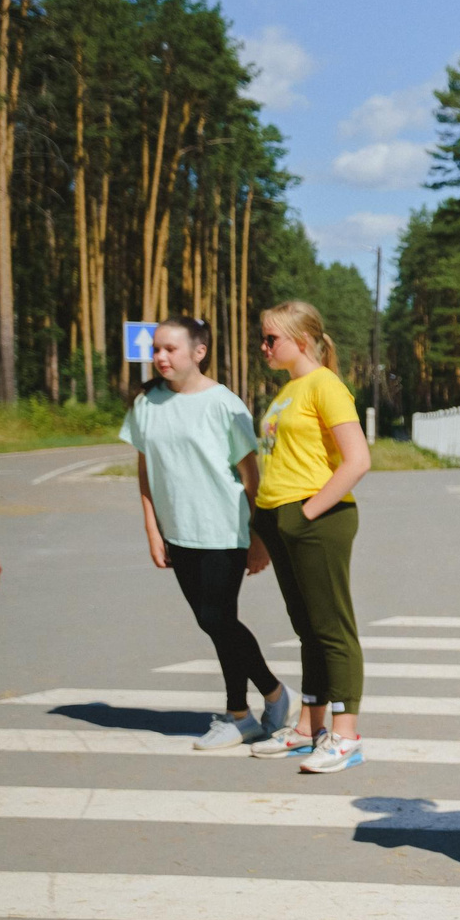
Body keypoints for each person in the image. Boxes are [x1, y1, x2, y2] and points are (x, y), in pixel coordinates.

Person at [121, 315, 292, 752]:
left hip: (223, 528)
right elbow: (146, 471)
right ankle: (255, 705)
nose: (160, 356)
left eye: (169, 349)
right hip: (177, 531)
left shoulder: (224, 403)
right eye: (155, 349)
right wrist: (152, 530)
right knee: (214, 623)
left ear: (198, 352)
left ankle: (251, 706)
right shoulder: (146, 404)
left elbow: (251, 476)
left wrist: (258, 539)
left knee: (217, 618)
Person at [246, 300, 371, 774]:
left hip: (319, 520)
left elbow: (357, 459)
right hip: (283, 521)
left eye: (270, 338)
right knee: (309, 628)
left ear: (301, 340)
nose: (263, 346)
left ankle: (345, 735)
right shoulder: (288, 390)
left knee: (333, 628)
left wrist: (308, 512)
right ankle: (307, 729)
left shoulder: (325, 385)